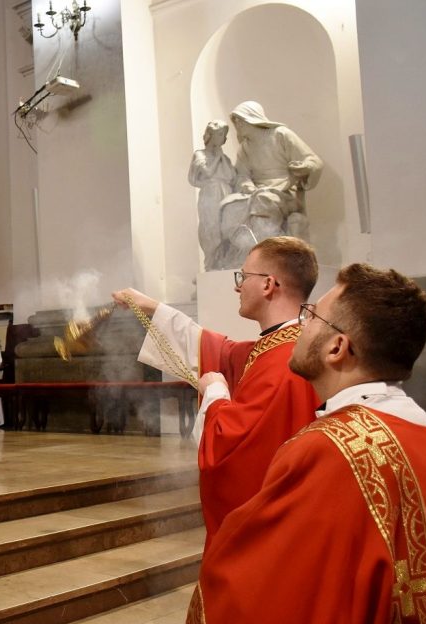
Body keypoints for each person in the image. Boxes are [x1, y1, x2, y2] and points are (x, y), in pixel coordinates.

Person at [176, 264, 426, 624]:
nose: (300, 325)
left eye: (311, 316)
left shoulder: (327, 450)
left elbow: (272, 610)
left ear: (337, 347)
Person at [111, 236, 320, 545]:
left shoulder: (282, 364)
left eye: (243, 277)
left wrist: (215, 392)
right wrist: (152, 307)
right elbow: (219, 350)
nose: (238, 287)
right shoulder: (287, 347)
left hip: (267, 534)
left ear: (268, 284)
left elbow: (229, 449)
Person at [216, 101, 323, 267]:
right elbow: (242, 175)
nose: (236, 124)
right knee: (229, 206)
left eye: (239, 120)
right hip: (256, 192)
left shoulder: (281, 134)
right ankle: (241, 255)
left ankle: (266, 257)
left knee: (264, 200)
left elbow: (313, 160)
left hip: (285, 191)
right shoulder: (245, 147)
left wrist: (304, 167)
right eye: (235, 120)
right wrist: (247, 185)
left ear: (251, 118)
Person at [187, 120, 236, 271]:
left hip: (225, 192)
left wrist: (222, 158)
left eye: (224, 135)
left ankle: (224, 261)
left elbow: (231, 177)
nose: (223, 138)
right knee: (211, 227)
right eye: (220, 134)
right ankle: (211, 262)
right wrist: (218, 158)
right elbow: (207, 172)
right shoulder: (200, 154)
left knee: (225, 227)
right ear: (211, 135)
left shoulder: (225, 159)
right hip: (210, 194)